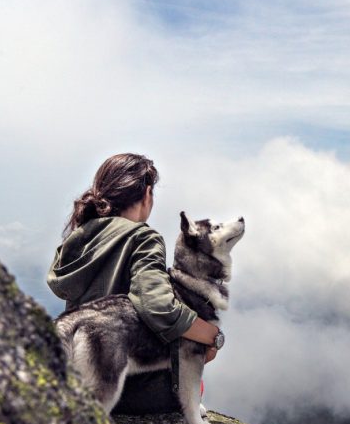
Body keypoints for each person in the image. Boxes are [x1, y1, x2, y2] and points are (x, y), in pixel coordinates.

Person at [46, 153, 222, 411]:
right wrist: (212, 335)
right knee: (193, 383)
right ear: (147, 193)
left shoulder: (78, 238)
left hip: (81, 383)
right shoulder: (143, 238)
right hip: (132, 393)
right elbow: (157, 305)